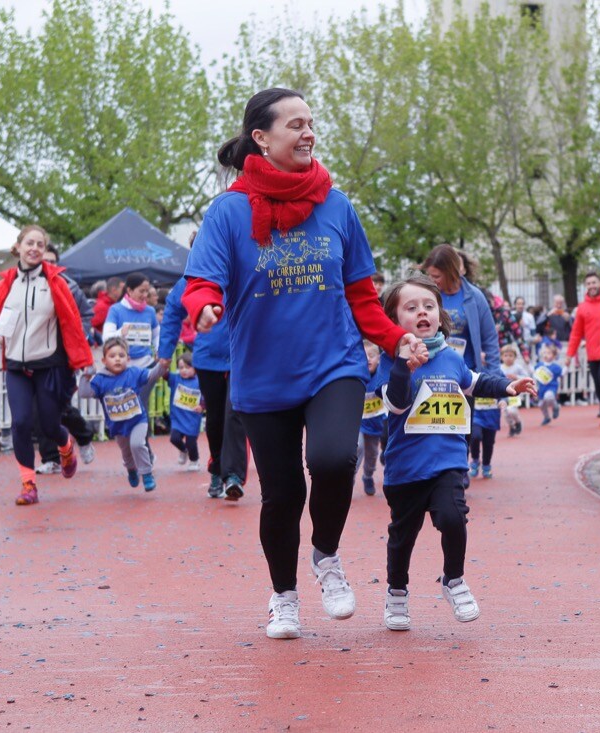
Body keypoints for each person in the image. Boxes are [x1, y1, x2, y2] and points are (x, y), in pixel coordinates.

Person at [180, 87, 426, 640]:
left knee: (335, 459)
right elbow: (201, 280)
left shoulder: (335, 205)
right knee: (284, 493)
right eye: (295, 124)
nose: (308, 132)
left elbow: (361, 293)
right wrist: (205, 306)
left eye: (311, 122)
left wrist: (394, 340)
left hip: (333, 362)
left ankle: (326, 556)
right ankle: (283, 596)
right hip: (264, 373)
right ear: (262, 138)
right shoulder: (228, 211)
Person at [375, 276, 536, 630]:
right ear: (394, 318)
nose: (422, 312)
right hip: (406, 469)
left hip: (448, 462)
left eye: (429, 306)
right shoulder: (390, 361)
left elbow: (474, 382)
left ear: (439, 314)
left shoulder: (450, 356)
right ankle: (397, 592)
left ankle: (453, 579)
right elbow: (397, 405)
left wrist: (507, 386)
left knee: (452, 518)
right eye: (411, 307)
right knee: (403, 537)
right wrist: (404, 364)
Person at [0, 224, 92, 506]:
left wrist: (83, 362)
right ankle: (28, 484)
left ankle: (65, 445)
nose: (34, 248)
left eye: (40, 244)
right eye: (29, 243)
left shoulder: (56, 283)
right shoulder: (4, 286)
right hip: (16, 367)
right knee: (21, 423)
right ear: (19, 247)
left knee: (49, 425)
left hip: (49, 365)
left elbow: (72, 325)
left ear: (44, 251)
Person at [159, 276, 249, 500]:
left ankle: (234, 476)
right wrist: (164, 354)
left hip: (243, 356)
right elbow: (172, 312)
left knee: (235, 413)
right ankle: (217, 470)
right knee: (216, 418)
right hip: (208, 358)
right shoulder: (191, 279)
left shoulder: (242, 265)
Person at [35, 244, 97, 469]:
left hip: (62, 357)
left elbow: (87, 315)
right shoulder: (24, 286)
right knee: (38, 408)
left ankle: (84, 435)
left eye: (52, 260)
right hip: (34, 355)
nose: (47, 265)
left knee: (59, 407)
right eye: (44, 260)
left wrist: (75, 335)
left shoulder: (70, 286)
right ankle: (51, 459)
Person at [80, 337, 167, 491]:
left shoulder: (133, 373)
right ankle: (131, 469)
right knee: (126, 452)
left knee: (137, 444)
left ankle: (146, 473)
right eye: (112, 356)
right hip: (118, 425)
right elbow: (85, 393)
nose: (117, 359)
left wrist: (162, 364)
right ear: (104, 360)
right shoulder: (100, 380)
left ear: (128, 358)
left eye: (121, 355)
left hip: (138, 420)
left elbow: (152, 375)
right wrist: (85, 377)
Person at [423, 244, 502, 378]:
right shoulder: (427, 295)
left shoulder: (475, 297)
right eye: (430, 275)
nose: (432, 280)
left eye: (436, 276)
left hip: (466, 375)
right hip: (433, 373)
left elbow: (490, 339)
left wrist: (495, 379)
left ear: (450, 273)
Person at [567, 272, 600, 426]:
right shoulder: (582, 308)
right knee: (597, 383)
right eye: (588, 283)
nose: (591, 286)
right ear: (585, 286)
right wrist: (570, 354)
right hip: (592, 353)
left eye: (594, 282)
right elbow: (576, 333)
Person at [103, 272, 158, 369]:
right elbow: (106, 338)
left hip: (147, 365)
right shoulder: (115, 310)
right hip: (122, 366)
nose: (145, 295)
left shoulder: (150, 311)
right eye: (141, 291)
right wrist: (121, 332)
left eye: (147, 291)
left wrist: (159, 351)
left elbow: (157, 335)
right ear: (129, 290)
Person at [167, 352, 204, 473]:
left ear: (195, 368)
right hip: (178, 417)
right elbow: (164, 374)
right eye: (181, 367)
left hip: (192, 418)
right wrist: (162, 362)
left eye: (188, 367)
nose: (184, 370)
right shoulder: (175, 379)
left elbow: (207, 396)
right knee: (174, 438)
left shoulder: (200, 382)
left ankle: (194, 460)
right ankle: (184, 450)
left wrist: (202, 406)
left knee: (191, 442)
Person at [358, 342, 386, 496]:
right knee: (357, 447)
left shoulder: (381, 376)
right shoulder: (357, 376)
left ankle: (368, 476)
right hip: (359, 423)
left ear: (379, 359)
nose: (368, 359)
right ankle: (348, 478)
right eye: (364, 356)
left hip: (375, 425)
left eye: (372, 356)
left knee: (372, 453)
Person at [499, 344, 530, 436]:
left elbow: (526, 376)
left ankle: (518, 421)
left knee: (512, 410)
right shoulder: (500, 367)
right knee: (505, 412)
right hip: (504, 392)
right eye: (505, 356)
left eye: (511, 356)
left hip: (515, 393)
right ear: (501, 357)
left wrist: (516, 377)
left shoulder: (518, 367)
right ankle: (512, 426)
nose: (508, 358)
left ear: (515, 357)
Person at [533, 344, 563, 425]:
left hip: (551, 387)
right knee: (541, 405)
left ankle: (555, 407)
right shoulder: (539, 365)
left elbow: (562, 373)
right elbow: (534, 371)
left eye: (549, 353)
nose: (546, 355)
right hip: (542, 388)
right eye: (545, 353)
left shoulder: (556, 367)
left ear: (554, 356)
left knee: (548, 397)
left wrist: (566, 366)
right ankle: (546, 417)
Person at [91, 276, 125, 341]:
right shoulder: (103, 307)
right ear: (114, 290)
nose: (125, 291)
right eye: (122, 289)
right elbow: (88, 326)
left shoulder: (111, 305)